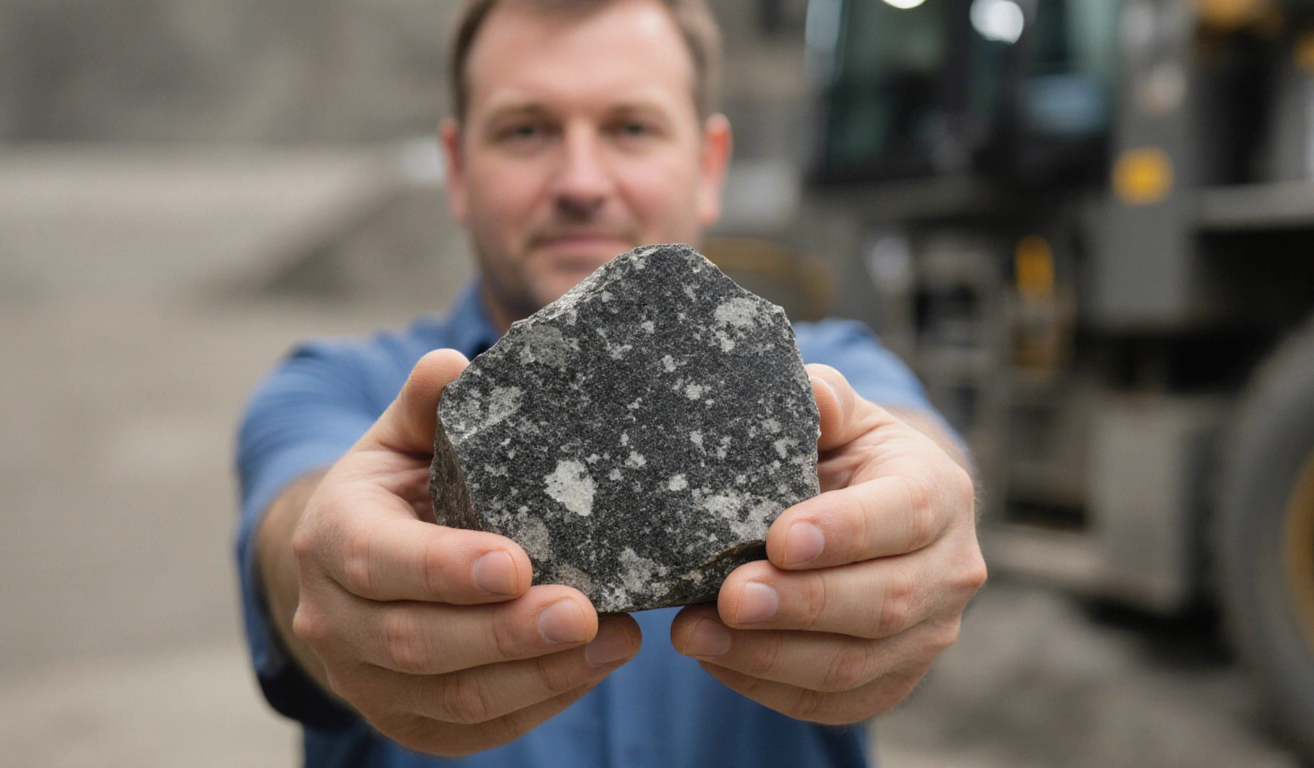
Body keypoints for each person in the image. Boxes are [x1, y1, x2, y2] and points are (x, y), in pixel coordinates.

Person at [235, 1, 987, 766]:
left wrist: (921, 511)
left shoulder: (823, 371)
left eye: (632, 128)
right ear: (458, 170)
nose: (582, 182)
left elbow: (906, 434)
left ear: (710, 164)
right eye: (527, 130)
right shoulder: (333, 387)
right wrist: (336, 573)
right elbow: (295, 528)